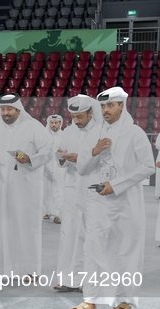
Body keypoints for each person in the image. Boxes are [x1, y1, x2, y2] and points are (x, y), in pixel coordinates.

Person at [70, 87, 154, 309]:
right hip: (97, 201)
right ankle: (91, 301)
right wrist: (94, 151)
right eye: (103, 106)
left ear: (121, 106)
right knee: (93, 248)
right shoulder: (95, 132)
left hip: (125, 201)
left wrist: (116, 185)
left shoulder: (135, 133)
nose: (105, 110)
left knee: (124, 250)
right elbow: (82, 168)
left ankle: (124, 300)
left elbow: (147, 166)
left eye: (110, 106)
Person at [0, 93, 53, 284]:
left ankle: (30, 270)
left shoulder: (33, 127)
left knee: (26, 226)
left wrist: (30, 159)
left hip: (26, 187)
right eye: (3, 109)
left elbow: (48, 151)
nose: (6, 113)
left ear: (19, 109)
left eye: (9, 109)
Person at [54, 95, 103, 292]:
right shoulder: (68, 131)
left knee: (89, 233)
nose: (77, 121)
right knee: (68, 231)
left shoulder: (101, 131)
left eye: (81, 116)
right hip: (72, 186)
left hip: (92, 186)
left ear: (91, 112)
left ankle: (88, 280)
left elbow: (105, 160)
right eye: (74, 117)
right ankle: (66, 278)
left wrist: (80, 158)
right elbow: (60, 157)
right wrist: (62, 158)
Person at [42, 114, 65, 224]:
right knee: (46, 189)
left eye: (56, 123)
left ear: (60, 123)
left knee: (59, 189)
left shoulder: (65, 136)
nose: (54, 125)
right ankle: (47, 211)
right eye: (52, 123)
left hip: (60, 166)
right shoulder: (44, 135)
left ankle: (57, 213)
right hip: (47, 165)